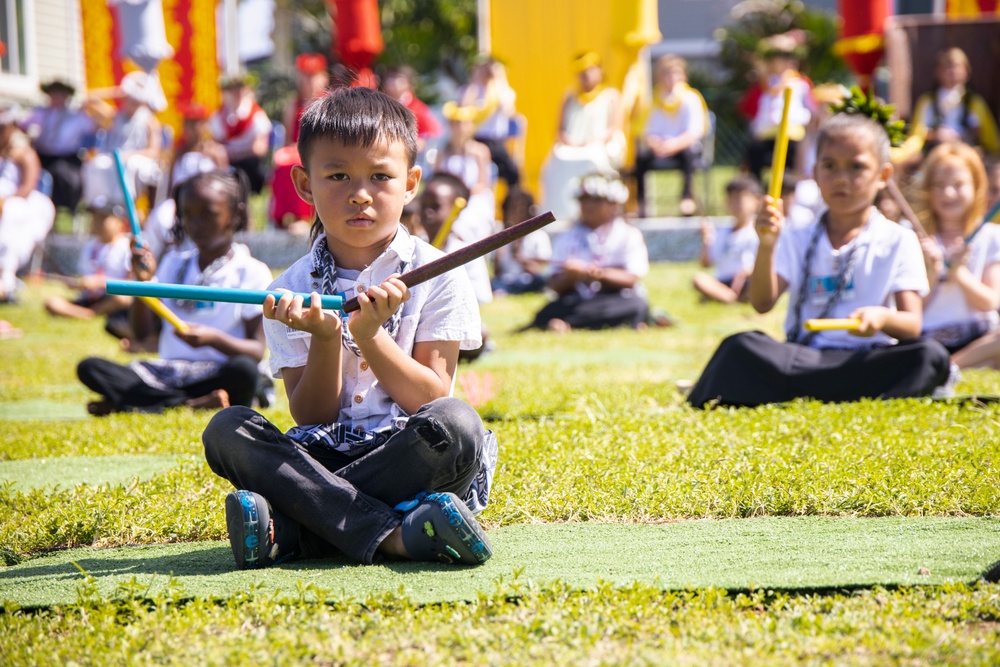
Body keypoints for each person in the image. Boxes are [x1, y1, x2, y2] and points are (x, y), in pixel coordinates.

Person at [201, 86, 497, 570]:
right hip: (322, 458)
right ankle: (397, 536)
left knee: (457, 424)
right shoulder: (290, 289)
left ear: (410, 183)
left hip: (409, 457)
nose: (360, 194)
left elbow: (429, 398)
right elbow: (312, 417)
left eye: (381, 176)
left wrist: (369, 336)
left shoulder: (441, 274)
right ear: (304, 185)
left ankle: (296, 525)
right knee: (228, 429)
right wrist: (323, 339)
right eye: (337, 175)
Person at [686, 109, 951, 409]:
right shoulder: (797, 235)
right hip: (802, 357)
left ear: (883, 176)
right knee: (741, 346)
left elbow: (911, 324)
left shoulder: (899, 239)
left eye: (856, 167)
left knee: (929, 355)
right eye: (830, 166)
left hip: (864, 358)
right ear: (814, 172)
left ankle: (798, 392)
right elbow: (762, 303)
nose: (842, 179)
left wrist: (881, 318)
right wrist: (766, 246)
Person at [77, 169, 271, 415]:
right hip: (168, 372)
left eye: (207, 215)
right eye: (188, 215)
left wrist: (213, 339)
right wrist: (142, 282)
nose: (195, 225)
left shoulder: (250, 270)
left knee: (245, 371)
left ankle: (137, 402)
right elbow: (141, 332)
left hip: (218, 371)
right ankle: (188, 403)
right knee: (90, 367)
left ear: (236, 214)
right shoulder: (173, 262)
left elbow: (256, 350)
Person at [523, 172, 650, 332]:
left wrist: (596, 273)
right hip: (577, 299)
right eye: (584, 200)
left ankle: (569, 323)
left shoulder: (628, 234)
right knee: (549, 310)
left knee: (636, 304)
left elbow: (631, 278)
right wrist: (570, 277)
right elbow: (554, 284)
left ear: (613, 204)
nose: (589, 206)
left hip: (616, 298)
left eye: (596, 201)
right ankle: (617, 322)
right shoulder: (566, 236)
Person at [915, 143, 1000, 373]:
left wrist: (959, 273)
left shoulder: (990, 235)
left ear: (976, 187)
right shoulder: (914, 236)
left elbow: (990, 302)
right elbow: (912, 310)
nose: (948, 193)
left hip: (978, 336)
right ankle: (942, 365)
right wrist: (932, 273)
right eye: (939, 185)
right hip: (928, 336)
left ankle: (950, 367)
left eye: (958, 185)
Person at [541, 51, 624, 222]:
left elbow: (613, 128)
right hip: (571, 147)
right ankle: (559, 214)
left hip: (598, 146)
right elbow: (560, 131)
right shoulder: (569, 96)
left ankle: (597, 212)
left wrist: (594, 141)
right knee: (554, 163)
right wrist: (570, 142)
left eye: (590, 71)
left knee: (593, 160)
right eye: (581, 73)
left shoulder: (610, 95)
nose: (585, 76)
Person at [43, 201, 133, 334]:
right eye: (95, 217)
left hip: (111, 298)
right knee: (52, 302)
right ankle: (87, 313)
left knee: (121, 298)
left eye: (103, 218)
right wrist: (77, 283)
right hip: (90, 298)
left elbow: (132, 285)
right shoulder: (90, 246)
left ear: (121, 223)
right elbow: (85, 275)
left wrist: (99, 282)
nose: (96, 222)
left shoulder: (127, 246)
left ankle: (91, 313)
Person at [633, 55, 707, 218]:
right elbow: (647, 131)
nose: (671, 79)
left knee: (687, 156)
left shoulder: (691, 99)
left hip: (683, 147)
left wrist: (674, 145)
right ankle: (641, 203)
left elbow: (694, 131)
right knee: (641, 159)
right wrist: (655, 144)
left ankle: (687, 198)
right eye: (666, 74)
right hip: (660, 148)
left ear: (683, 76)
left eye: (675, 74)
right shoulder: (654, 102)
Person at [739, 33, 814, 187]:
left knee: (793, 157)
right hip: (766, 134)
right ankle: (756, 189)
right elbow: (748, 109)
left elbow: (813, 110)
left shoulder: (800, 83)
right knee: (754, 153)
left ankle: (789, 190)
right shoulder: (762, 84)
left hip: (792, 134)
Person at [81, 71, 164, 207]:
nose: (132, 102)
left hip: (137, 162)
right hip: (113, 159)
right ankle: (99, 206)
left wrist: (129, 155)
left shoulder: (150, 121)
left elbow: (154, 151)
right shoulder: (114, 117)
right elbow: (88, 98)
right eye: (130, 98)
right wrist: (119, 91)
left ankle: (126, 207)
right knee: (96, 164)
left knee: (129, 166)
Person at [0, 106, 57, 303]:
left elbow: (27, 187)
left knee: (8, 215)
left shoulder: (24, 153)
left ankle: (5, 280)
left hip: (23, 207)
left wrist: (4, 201)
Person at [271, 54, 329, 233]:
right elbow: (288, 139)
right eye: (305, 77)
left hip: (321, 152)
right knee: (283, 165)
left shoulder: (327, 104)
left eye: (313, 76)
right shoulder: (293, 105)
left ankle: (304, 217)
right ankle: (283, 217)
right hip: (297, 151)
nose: (309, 82)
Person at [20, 78, 96, 212]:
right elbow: (21, 123)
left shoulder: (77, 116)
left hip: (66, 158)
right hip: (42, 155)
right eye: (53, 94)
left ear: (66, 96)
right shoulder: (40, 113)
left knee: (65, 177)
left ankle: (63, 209)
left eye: (60, 94)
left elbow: (95, 129)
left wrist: (92, 106)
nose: (56, 97)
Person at [910, 48, 999, 158]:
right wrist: (937, 134)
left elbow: (982, 131)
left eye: (956, 67)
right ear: (938, 71)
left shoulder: (973, 101)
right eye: (947, 67)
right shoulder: (928, 100)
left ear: (966, 71)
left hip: (965, 148)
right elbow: (919, 133)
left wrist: (960, 136)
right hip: (936, 150)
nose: (952, 72)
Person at [693, 176, 762, 304]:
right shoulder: (721, 231)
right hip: (723, 281)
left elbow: (765, 262)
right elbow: (706, 264)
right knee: (699, 279)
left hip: (747, 280)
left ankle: (725, 297)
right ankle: (729, 297)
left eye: (740, 200)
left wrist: (745, 272)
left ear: (756, 201)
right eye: (732, 199)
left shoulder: (758, 230)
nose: (735, 204)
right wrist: (706, 240)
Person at [458, 56, 520, 187]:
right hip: (476, 138)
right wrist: (474, 80)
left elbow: (508, 110)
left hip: (496, 141)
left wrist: (499, 78)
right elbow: (464, 110)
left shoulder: (501, 90)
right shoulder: (471, 90)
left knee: (513, 174)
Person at [209, 73, 272, 194]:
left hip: (249, 165)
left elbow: (259, 148)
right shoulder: (218, 117)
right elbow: (212, 146)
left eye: (239, 89)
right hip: (226, 164)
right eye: (231, 90)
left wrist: (233, 152)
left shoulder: (256, 115)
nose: (235, 93)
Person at [493, 186, 551, 295]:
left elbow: (540, 271)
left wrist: (519, 256)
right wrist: (498, 256)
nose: (516, 212)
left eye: (520, 208)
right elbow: (497, 273)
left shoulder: (538, 235)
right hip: (506, 282)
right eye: (512, 208)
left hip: (528, 281)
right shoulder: (501, 235)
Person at [382, 65, 442, 156]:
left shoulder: (419, 108)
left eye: (398, 78)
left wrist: (419, 142)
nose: (392, 82)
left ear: (409, 83)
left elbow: (433, 133)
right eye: (390, 77)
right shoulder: (381, 105)